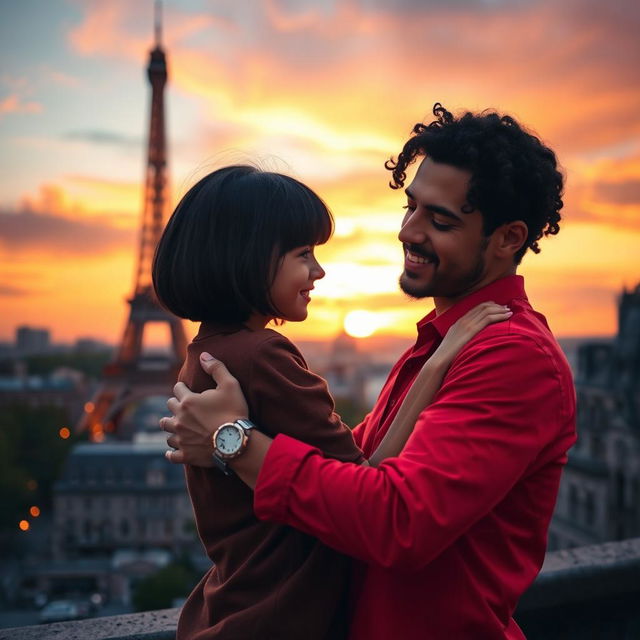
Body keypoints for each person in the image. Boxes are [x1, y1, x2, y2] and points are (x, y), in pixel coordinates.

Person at [161, 104, 577, 639]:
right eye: (412, 208)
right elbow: (345, 470)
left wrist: (233, 441)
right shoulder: (439, 344)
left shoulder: (515, 358)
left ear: (508, 238)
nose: (409, 231)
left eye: (440, 219)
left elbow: (394, 519)